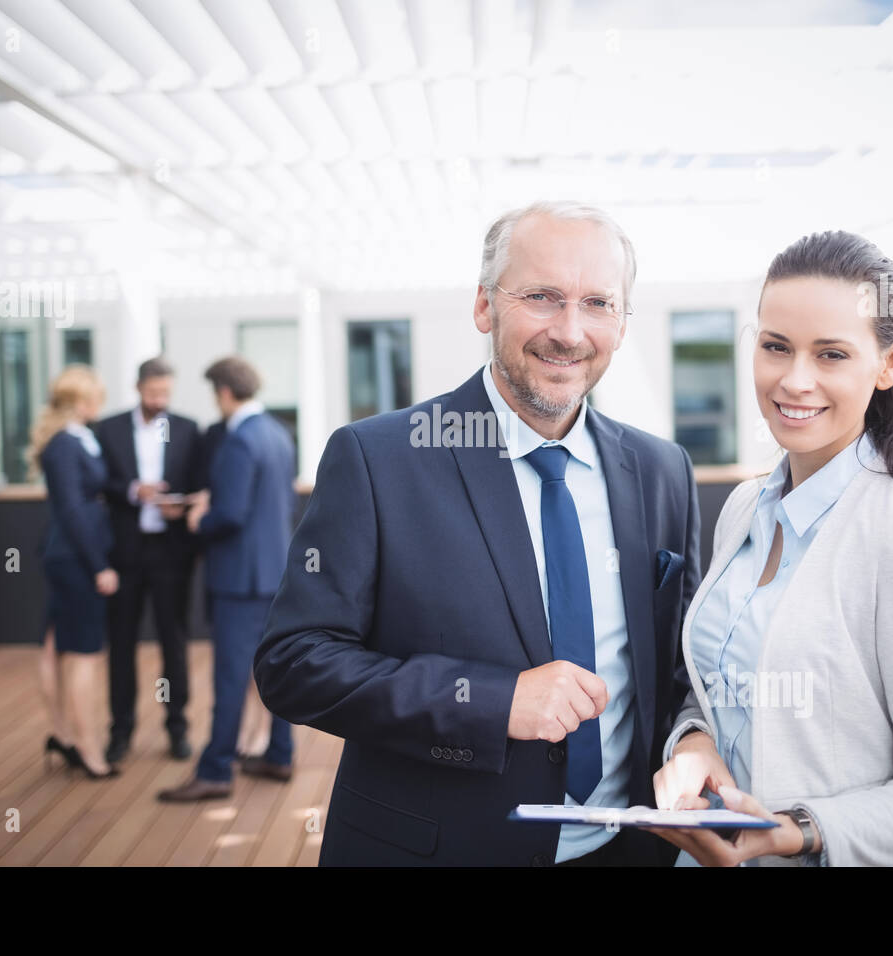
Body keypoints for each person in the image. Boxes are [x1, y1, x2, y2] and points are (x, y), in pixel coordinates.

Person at [255, 201, 703, 866]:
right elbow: (295, 663)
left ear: (622, 322)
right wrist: (493, 702)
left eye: (598, 303)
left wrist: (693, 740)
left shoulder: (662, 469)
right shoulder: (379, 459)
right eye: (542, 296)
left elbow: (681, 664)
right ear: (484, 307)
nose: (570, 331)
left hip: (630, 850)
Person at [648, 230, 893, 866]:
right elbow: (717, 690)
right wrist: (694, 742)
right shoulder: (743, 509)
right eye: (775, 347)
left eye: (831, 354)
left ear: (889, 364)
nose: (795, 380)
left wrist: (796, 830)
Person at [157, 357, 296, 801]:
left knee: (229, 679)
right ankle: (278, 754)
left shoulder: (237, 440)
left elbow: (231, 516)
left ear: (223, 392)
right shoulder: (277, 434)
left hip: (238, 580)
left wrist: (199, 518)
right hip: (274, 572)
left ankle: (216, 770)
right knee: (274, 670)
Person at [94, 357, 202, 763]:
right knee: (121, 642)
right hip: (124, 551)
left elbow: (199, 485)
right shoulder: (109, 428)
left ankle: (177, 727)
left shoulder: (190, 430)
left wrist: (183, 502)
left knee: (173, 641)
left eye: (167, 394)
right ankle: (120, 731)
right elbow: (100, 480)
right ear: (138, 387)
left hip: (171, 550)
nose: (161, 400)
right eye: (155, 393)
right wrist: (132, 490)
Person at [28, 364, 120, 780]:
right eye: (96, 394)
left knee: (53, 647)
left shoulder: (75, 438)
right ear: (82, 400)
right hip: (77, 559)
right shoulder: (66, 444)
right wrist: (99, 565)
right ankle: (87, 748)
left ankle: (62, 735)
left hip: (68, 556)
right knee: (83, 654)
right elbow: (70, 509)